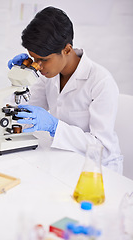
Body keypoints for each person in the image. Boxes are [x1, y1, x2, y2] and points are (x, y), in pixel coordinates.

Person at [8, 6, 123, 174]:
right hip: (63, 161)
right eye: (33, 59)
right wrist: (19, 79)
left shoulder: (101, 82)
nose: (37, 66)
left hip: (98, 171)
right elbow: (21, 114)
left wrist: (55, 127)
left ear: (67, 49)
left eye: (43, 59)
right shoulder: (49, 74)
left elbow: (102, 148)